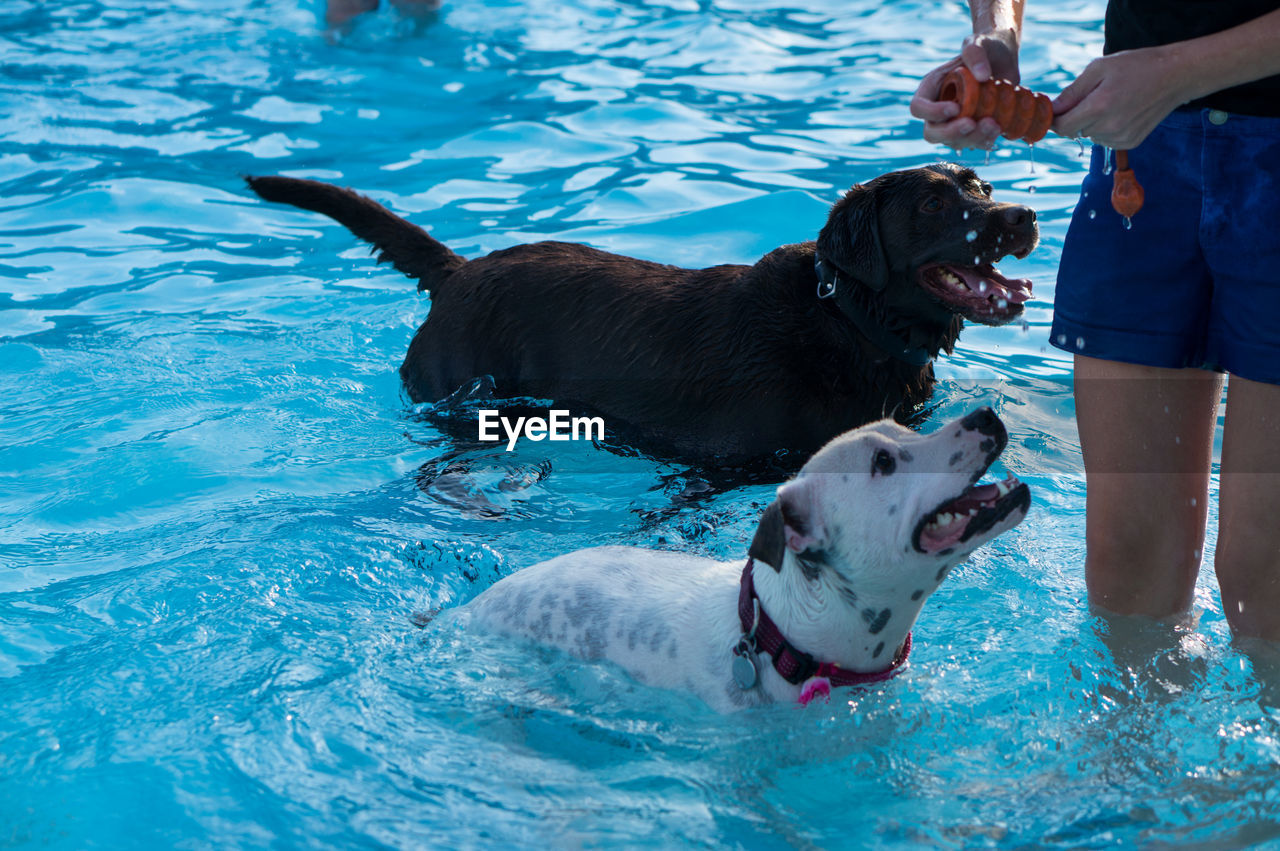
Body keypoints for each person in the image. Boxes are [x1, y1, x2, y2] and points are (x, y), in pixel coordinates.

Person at [910, 0, 1280, 641]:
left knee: (1265, 573)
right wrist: (995, 36)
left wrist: (1175, 72)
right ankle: (1127, 746)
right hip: (1141, 161)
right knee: (1127, 564)